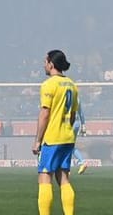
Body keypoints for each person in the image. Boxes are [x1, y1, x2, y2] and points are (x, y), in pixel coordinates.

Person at [34, 49, 79, 215]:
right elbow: (73, 115)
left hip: (52, 138)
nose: (43, 65)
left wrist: (38, 140)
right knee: (64, 178)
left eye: (45, 62)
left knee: (44, 177)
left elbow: (45, 113)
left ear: (51, 64)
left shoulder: (49, 85)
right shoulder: (72, 85)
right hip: (68, 138)